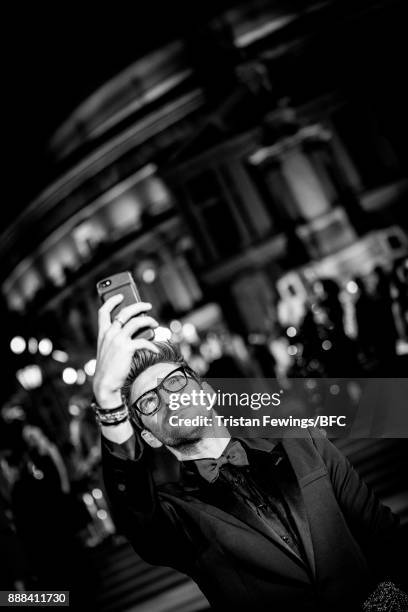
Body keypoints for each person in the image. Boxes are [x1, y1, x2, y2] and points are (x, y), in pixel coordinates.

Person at [94, 294, 406, 612]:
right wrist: (108, 400)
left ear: (206, 391)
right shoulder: (175, 516)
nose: (168, 398)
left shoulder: (302, 440)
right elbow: (135, 514)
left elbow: (384, 537)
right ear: (149, 436)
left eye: (174, 381)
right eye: (148, 401)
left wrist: (388, 606)